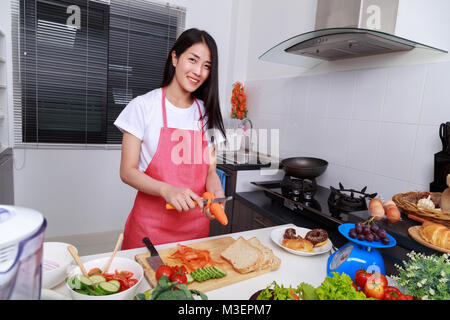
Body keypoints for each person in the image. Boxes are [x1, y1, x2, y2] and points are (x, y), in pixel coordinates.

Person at [114, 28, 227, 249]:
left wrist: (217, 194)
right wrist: (166, 190)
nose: (198, 71)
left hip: (196, 231)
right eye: (192, 60)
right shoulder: (143, 106)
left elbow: (211, 171)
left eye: (206, 66)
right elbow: (127, 171)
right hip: (149, 231)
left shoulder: (206, 112)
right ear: (175, 58)